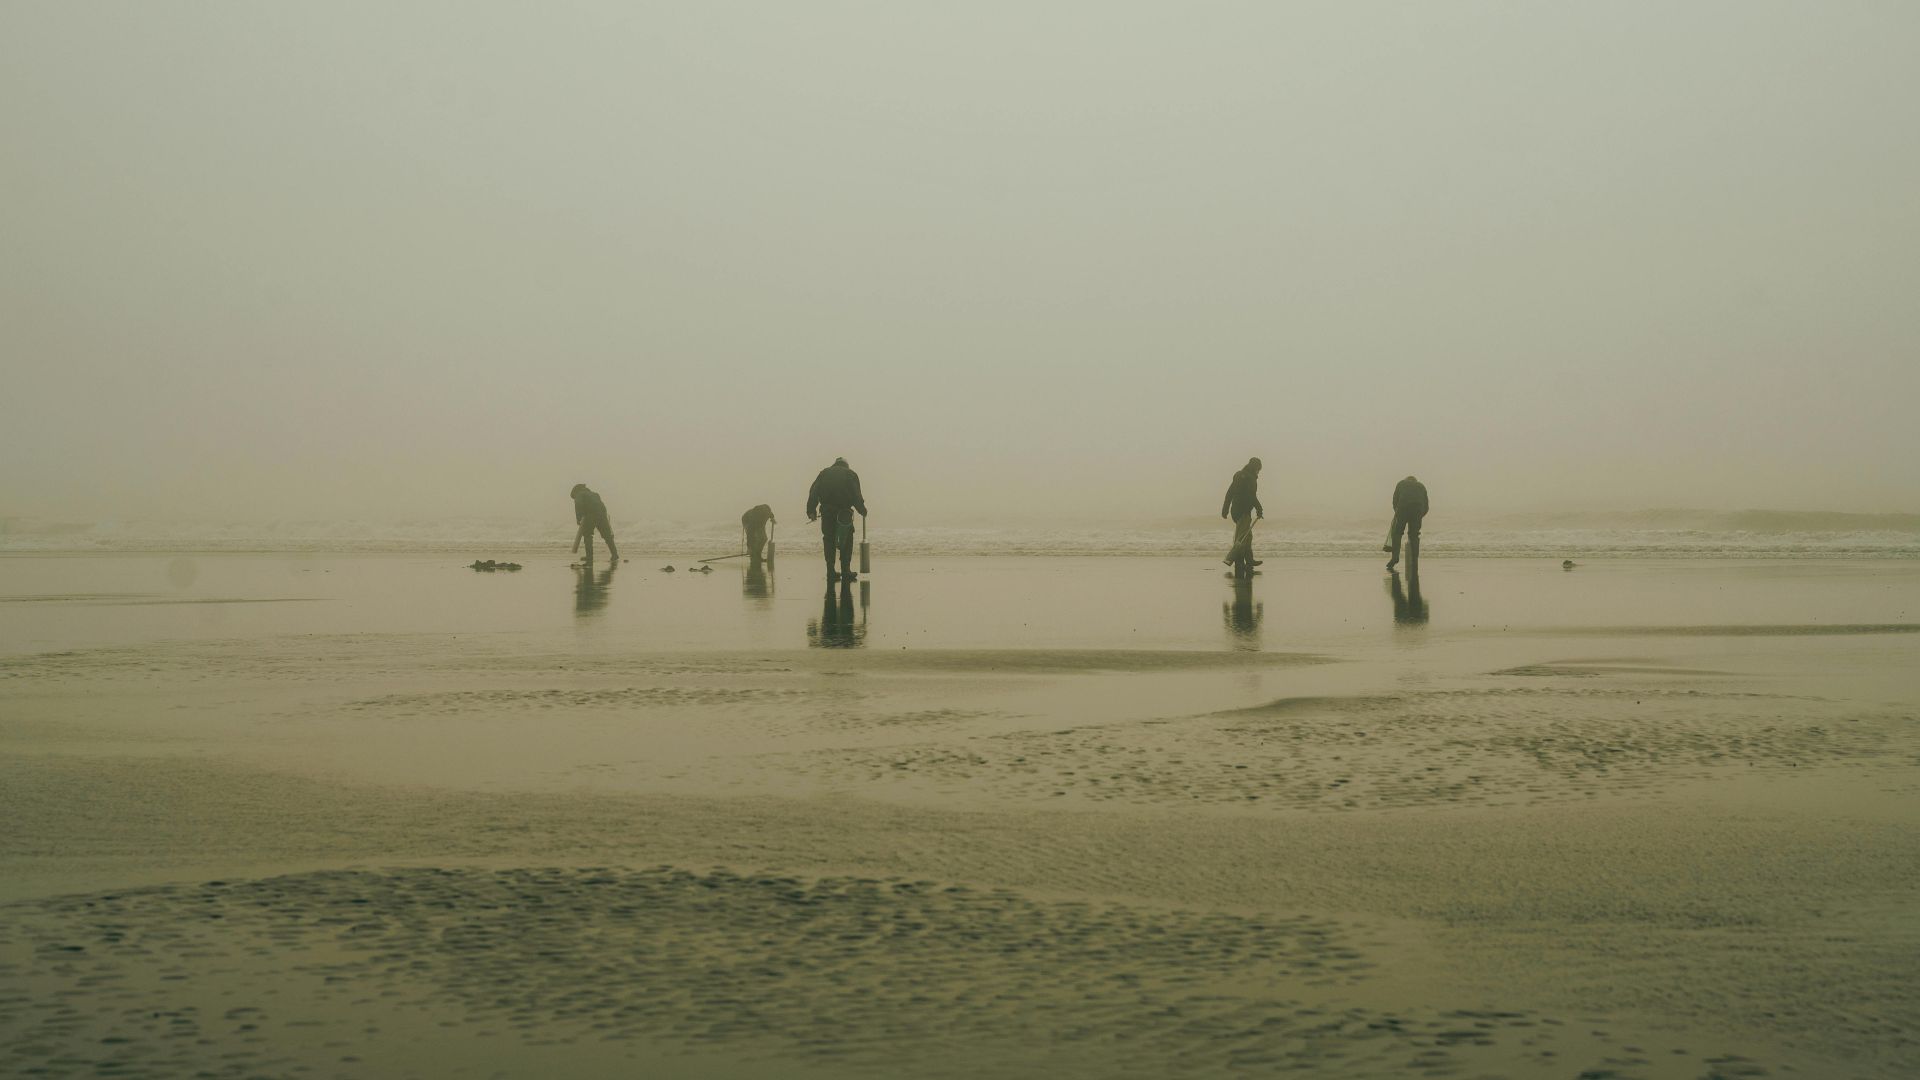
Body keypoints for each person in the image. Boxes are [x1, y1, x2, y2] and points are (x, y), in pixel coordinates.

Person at [806, 457, 867, 581]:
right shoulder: (850, 474)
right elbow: (856, 494)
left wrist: (811, 511)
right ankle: (846, 571)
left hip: (827, 512)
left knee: (828, 539)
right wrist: (862, 509)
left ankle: (830, 571)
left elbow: (813, 492)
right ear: (846, 465)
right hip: (844, 513)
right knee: (847, 539)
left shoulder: (824, 473)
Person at [1220, 457, 1264, 573]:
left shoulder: (1239, 475)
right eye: (1258, 469)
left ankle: (1249, 560)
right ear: (1255, 467)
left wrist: (1225, 509)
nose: (1258, 472)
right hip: (1243, 511)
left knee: (1247, 536)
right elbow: (1252, 496)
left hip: (1236, 510)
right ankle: (1238, 563)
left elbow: (1230, 492)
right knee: (1242, 538)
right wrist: (1259, 509)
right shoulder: (1249, 478)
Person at [1383, 475, 1428, 571]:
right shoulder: (1421, 486)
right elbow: (1426, 506)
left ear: (1406, 480)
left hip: (1403, 509)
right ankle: (1414, 560)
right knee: (1414, 535)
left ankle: (1395, 557)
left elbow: (1395, 501)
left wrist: (1398, 513)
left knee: (1397, 533)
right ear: (1416, 481)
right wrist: (1419, 516)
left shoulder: (1401, 483)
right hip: (1417, 509)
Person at [569, 483, 619, 562]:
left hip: (590, 515)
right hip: (602, 515)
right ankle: (615, 554)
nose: (574, 499)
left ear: (575, 492)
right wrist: (605, 518)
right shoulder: (595, 494)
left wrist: (579, 519)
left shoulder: (579, 494)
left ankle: (589, 557)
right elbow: (603, 506)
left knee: (587, 535)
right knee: (607, 535)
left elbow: (579, 505)